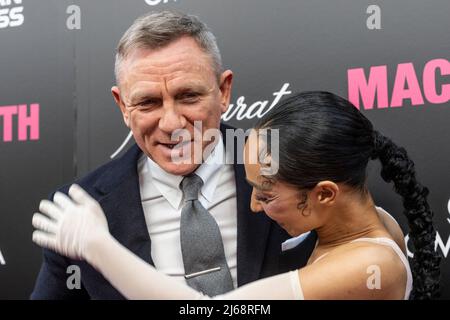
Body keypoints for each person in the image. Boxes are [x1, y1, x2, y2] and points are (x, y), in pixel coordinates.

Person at [32, 91, 442, 299]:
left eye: (265, 195)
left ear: (324, 194)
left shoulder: (369, 264)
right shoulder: (350, 223)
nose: (253, 206)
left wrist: (98, 245)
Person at [30, 10, 322, 299]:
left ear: (223, 91)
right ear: (122, 106)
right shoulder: (79, 209)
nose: (171, 124)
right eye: (148, 102)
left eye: (188, 96)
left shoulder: (293, 165)